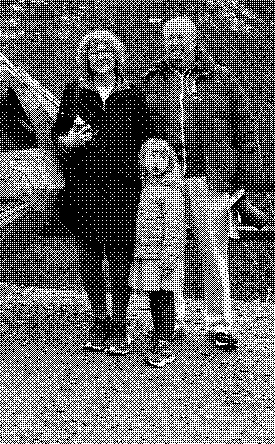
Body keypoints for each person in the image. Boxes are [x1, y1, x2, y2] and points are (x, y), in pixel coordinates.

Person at [143, 15, 261, 350]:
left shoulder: (221, 77)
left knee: (213, 251)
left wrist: (238, 176)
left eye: (181, 37)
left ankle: (219, 323)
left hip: (208, 175)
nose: (175, 43)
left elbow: (245, 131)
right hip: (164, 178)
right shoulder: (152, 79)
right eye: (169, 38)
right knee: (168, 250)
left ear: (195, 40)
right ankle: (173, 320)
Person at [51, 29, 156, 354]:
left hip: (123, 183)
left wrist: (154, 152)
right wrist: (67, 141)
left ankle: (120, 325)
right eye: (94, 52)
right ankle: (99, 321)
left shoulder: (135, 94)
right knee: (90, 253)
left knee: (121, 253)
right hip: (84, 181)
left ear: (116, 57)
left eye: (106, 51)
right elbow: (54, 136)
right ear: (86, 59)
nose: (101, 57)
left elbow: (152, 135)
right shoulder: (73, 92)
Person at [132, 138, 186, 367]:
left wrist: (170, 256)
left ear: (170, 160)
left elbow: (174, 225)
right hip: (146, 252)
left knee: (165, 295)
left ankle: (163, 340)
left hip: (165, 253)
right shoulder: (144, 186)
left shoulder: (170, 189)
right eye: (151, 156)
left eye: (161, 156)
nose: (156, 161)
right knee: (154, 295)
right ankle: (161, 330)